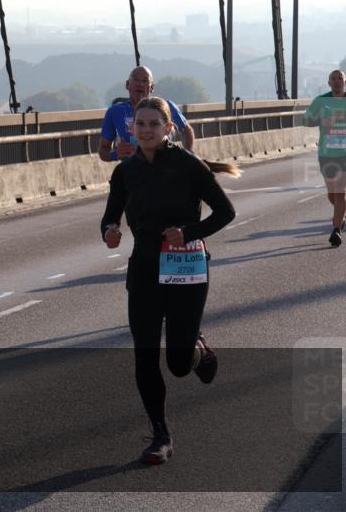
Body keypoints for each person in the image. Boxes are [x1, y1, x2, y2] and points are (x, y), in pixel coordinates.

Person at [100, 97, 238, 465]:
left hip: (186, 267)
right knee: (145, 354)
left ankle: (197, 348)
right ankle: (160, 435)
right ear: (132, 128)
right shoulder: (125, 172)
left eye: (153, 124)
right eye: (140, 124)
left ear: (168, 128)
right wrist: (110, 231)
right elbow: (109, 218)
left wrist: (189, 231)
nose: (146, 130)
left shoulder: (188, 165)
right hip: (144, 268)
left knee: (178, 363)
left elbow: (226, 212)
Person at [303, 69, 346, 247]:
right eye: (333, 79)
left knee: (340, 189)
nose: (337, 81)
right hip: (326, 153)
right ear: (329, 83)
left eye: (340, 79)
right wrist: (321, 119)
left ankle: (336, 229)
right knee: (332, 193)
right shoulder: (321, 101)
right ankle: (339, 217)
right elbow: (306, 120)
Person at [99, 66, 196, 162]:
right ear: (127, 84)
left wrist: (189, 155)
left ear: (152, 87)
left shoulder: (166, 107)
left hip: (166, 170)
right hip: (133, 173)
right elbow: (103, 150)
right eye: (135, 79)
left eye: (145, 81)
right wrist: (115, 154)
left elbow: (186, 130)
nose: (140, 84)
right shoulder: (115, 111)